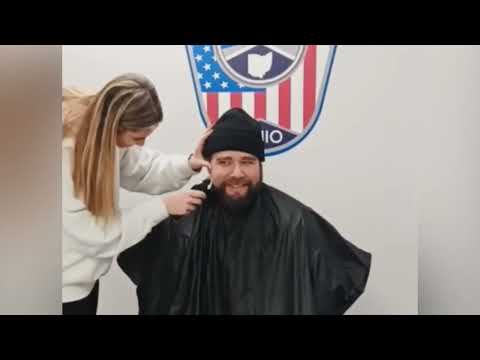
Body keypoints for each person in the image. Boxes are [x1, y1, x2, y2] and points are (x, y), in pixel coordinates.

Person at [118, 108, 372, 315]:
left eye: (247, 162)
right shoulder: (184, 219)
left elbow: (341, 277)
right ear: (208, 166)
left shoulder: (295, 222)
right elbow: (143, 271)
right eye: (225, 162)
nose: (237, 173)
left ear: (260, 165)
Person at [62, 73, 211, 315]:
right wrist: (161, 207)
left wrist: (189, 164)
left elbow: (143, 169)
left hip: (81, 282)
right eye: (137, 137)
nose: (140, 145)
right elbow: (92, 235)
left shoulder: (105, 136)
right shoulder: (61, 157)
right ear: (114, 125)